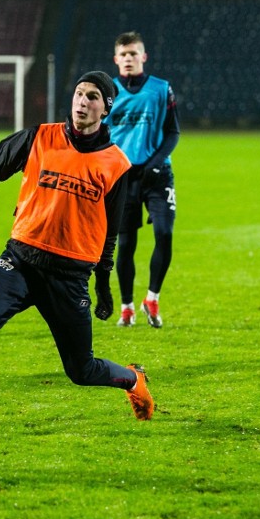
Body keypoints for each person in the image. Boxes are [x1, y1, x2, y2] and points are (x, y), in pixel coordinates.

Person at [0, 71, 155, 437]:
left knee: (81, 371)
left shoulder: (116, 164)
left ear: (105, 109)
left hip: (69, 276)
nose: (82, 101)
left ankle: (133, 379)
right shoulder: (38, 138)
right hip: (19, 260)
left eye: (92, 96)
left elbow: (111, 231)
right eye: (79, 93)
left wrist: (104, 283)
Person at [105, 31, 180, 328]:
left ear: (143, 57)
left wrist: (154, 163)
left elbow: (173, 132)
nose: (128, 59)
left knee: (164, 233)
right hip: (122, 179)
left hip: (158, 176)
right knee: (126, 244)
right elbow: (99, 134)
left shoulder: (161, 89)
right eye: (123, 54)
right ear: (116, 59)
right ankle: (126, 307)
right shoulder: (107, 91)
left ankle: (152, 297)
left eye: (133, 53)